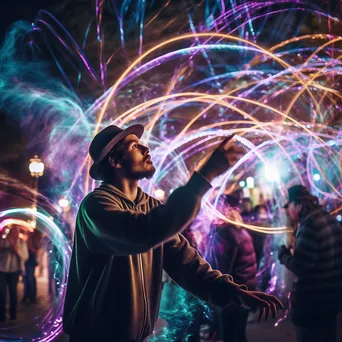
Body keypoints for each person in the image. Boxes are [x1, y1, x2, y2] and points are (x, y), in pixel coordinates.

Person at [63, 124, 283, 341]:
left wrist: (234, 292)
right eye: (134, 147)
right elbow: (143, 232)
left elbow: (186, 264)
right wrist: (205, 175)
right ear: (115, 161)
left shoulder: (150, 206)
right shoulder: (96, 206)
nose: (146, 149)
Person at [278, 185, 342, 342]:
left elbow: (301, 267)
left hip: (312, 303)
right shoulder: (329, 219)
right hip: (331, 298)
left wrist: (284, 255)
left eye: (290, 206)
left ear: (298, 206)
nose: (288, 211)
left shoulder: (309, 227)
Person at [208, 195, 257, 342]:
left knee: (228, 336)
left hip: (231, 295)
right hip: (245, 291)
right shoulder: (240, 231)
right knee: (239, 335)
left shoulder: (224, 234)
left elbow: (220, 269)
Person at [0, 226, 28, 322]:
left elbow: (25, 256)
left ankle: (13, 315)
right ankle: (2, 315)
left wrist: (17, 251)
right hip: (2, 270)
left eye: (15, 232)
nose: (13, 233)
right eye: (12, 231)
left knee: (13, 292)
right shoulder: (3, 241)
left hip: (14, 270)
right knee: (2, 293)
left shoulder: (21, 242)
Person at [22, 230, 42, 303]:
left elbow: (35, 249)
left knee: (30, 278)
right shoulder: (30, 239)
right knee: (26, 278)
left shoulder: (35, 239)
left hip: (31, 261)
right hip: (27, 261)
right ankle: (27, 295)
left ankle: (32, 296)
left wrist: (29, 241)